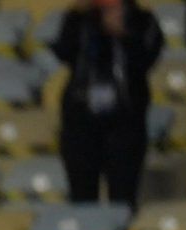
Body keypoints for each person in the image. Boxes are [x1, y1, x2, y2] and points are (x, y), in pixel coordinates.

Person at [53, 0, 164, 208]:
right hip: (81, 122)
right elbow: (63, 51)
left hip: (125, 123)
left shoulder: (143, 20)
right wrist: (79, 16)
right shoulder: (79, 19)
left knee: (123, 199)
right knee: (82, 200)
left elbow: (147, 59)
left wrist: (123, 34)